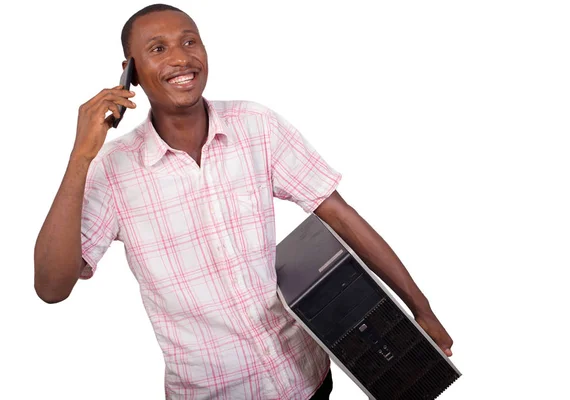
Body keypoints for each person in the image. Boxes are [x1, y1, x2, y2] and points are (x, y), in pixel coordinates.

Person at [33, 4, 454, 399]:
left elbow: (340, 216)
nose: (181, 58)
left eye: (190, 41)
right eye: (158, 49)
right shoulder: (112, 168)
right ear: (131, 73)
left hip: (306, 377)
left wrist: (421, 309)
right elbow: (52, 288)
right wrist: (80, 156)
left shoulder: (256, 125)